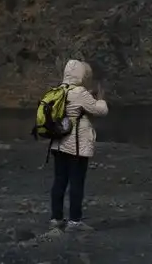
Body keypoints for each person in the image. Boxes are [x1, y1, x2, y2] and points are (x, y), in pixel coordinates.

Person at [49, 59, 109, 230]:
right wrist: (101, 99)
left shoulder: (58, 91)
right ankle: (75, 220)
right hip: (76, 145)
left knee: (59, 180)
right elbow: (100, 110)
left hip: (58, 143)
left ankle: (56, 218)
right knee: (77, 182)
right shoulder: (80, 92)